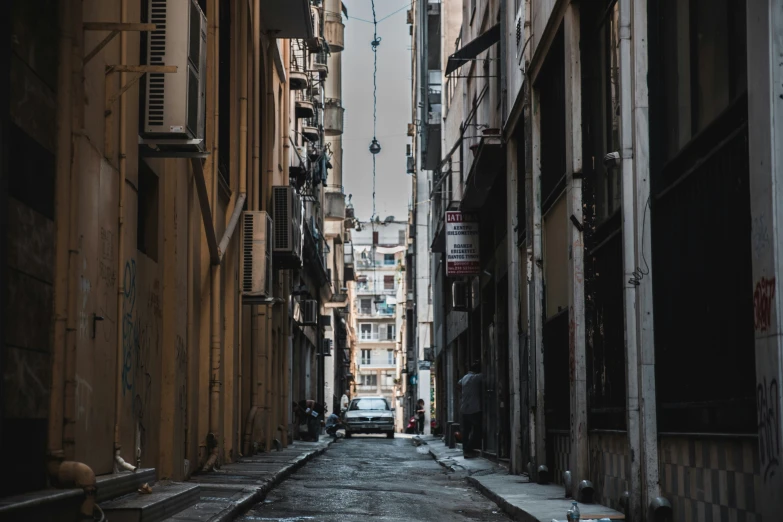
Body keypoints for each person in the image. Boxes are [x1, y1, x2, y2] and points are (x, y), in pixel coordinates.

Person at [457, 361, 483, 458]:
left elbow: (458, 385)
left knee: (466, 430)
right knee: (477, 429)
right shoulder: (477, 377)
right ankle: (469, 448)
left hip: (464, 407)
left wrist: (464, 393)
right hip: (474, 408)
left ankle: (465, 449)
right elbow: (486, 376)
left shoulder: (464, 378)